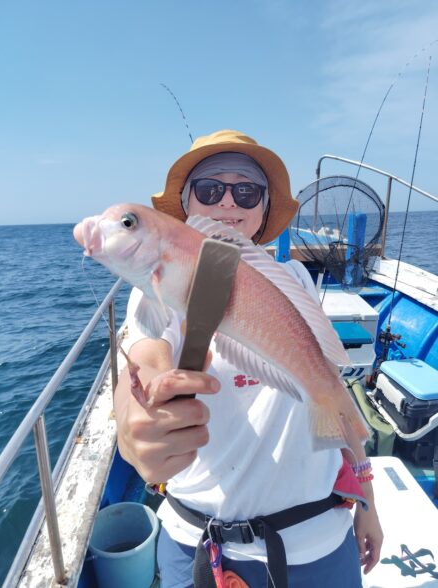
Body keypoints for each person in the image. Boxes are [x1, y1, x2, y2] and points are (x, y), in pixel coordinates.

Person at [114, 130, 383, 588]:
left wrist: (368, 503)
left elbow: (330, 395)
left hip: (316, 542)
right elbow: (142, 362)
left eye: (246, 191)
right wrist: (133, 428)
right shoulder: (156, 290)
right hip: (196, 543)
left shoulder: (294, 277)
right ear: (187, 207)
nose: (228, 203)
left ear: (262, 212)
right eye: (209, 189)